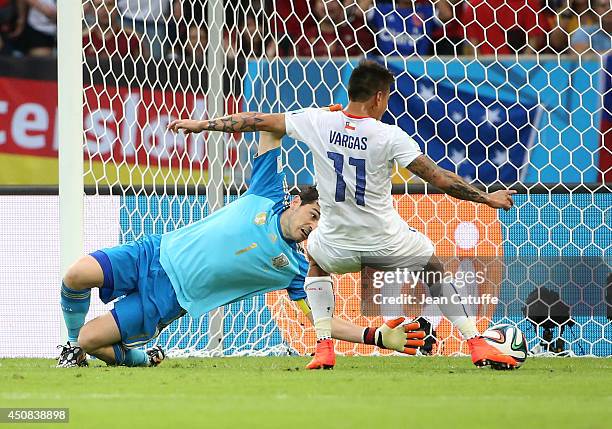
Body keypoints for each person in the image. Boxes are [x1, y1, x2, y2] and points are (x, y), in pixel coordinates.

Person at [167, 60, 519, 371]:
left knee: (315, 263)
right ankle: (475, 343)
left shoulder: (319, 120)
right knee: (432, 267)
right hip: (387, 242)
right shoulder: (388, 135)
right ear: (379, 98)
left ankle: (324, 347)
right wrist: (487, 198)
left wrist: (203, 124)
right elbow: (441, 178)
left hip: (336, 247)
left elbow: (257, 121)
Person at [57, 129, 425, 368]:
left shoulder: (295, 268)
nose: (312, 228)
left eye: (320, 226)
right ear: (296, 201)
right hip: (152, 253)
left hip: (168, 299)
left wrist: (375, 337)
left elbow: (319, 320)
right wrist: (321, 125)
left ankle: (140, 357)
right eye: (313, 215)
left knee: (94, 340)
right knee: (76, 275)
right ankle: (69, 348)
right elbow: (271, 130)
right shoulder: (266, 192)